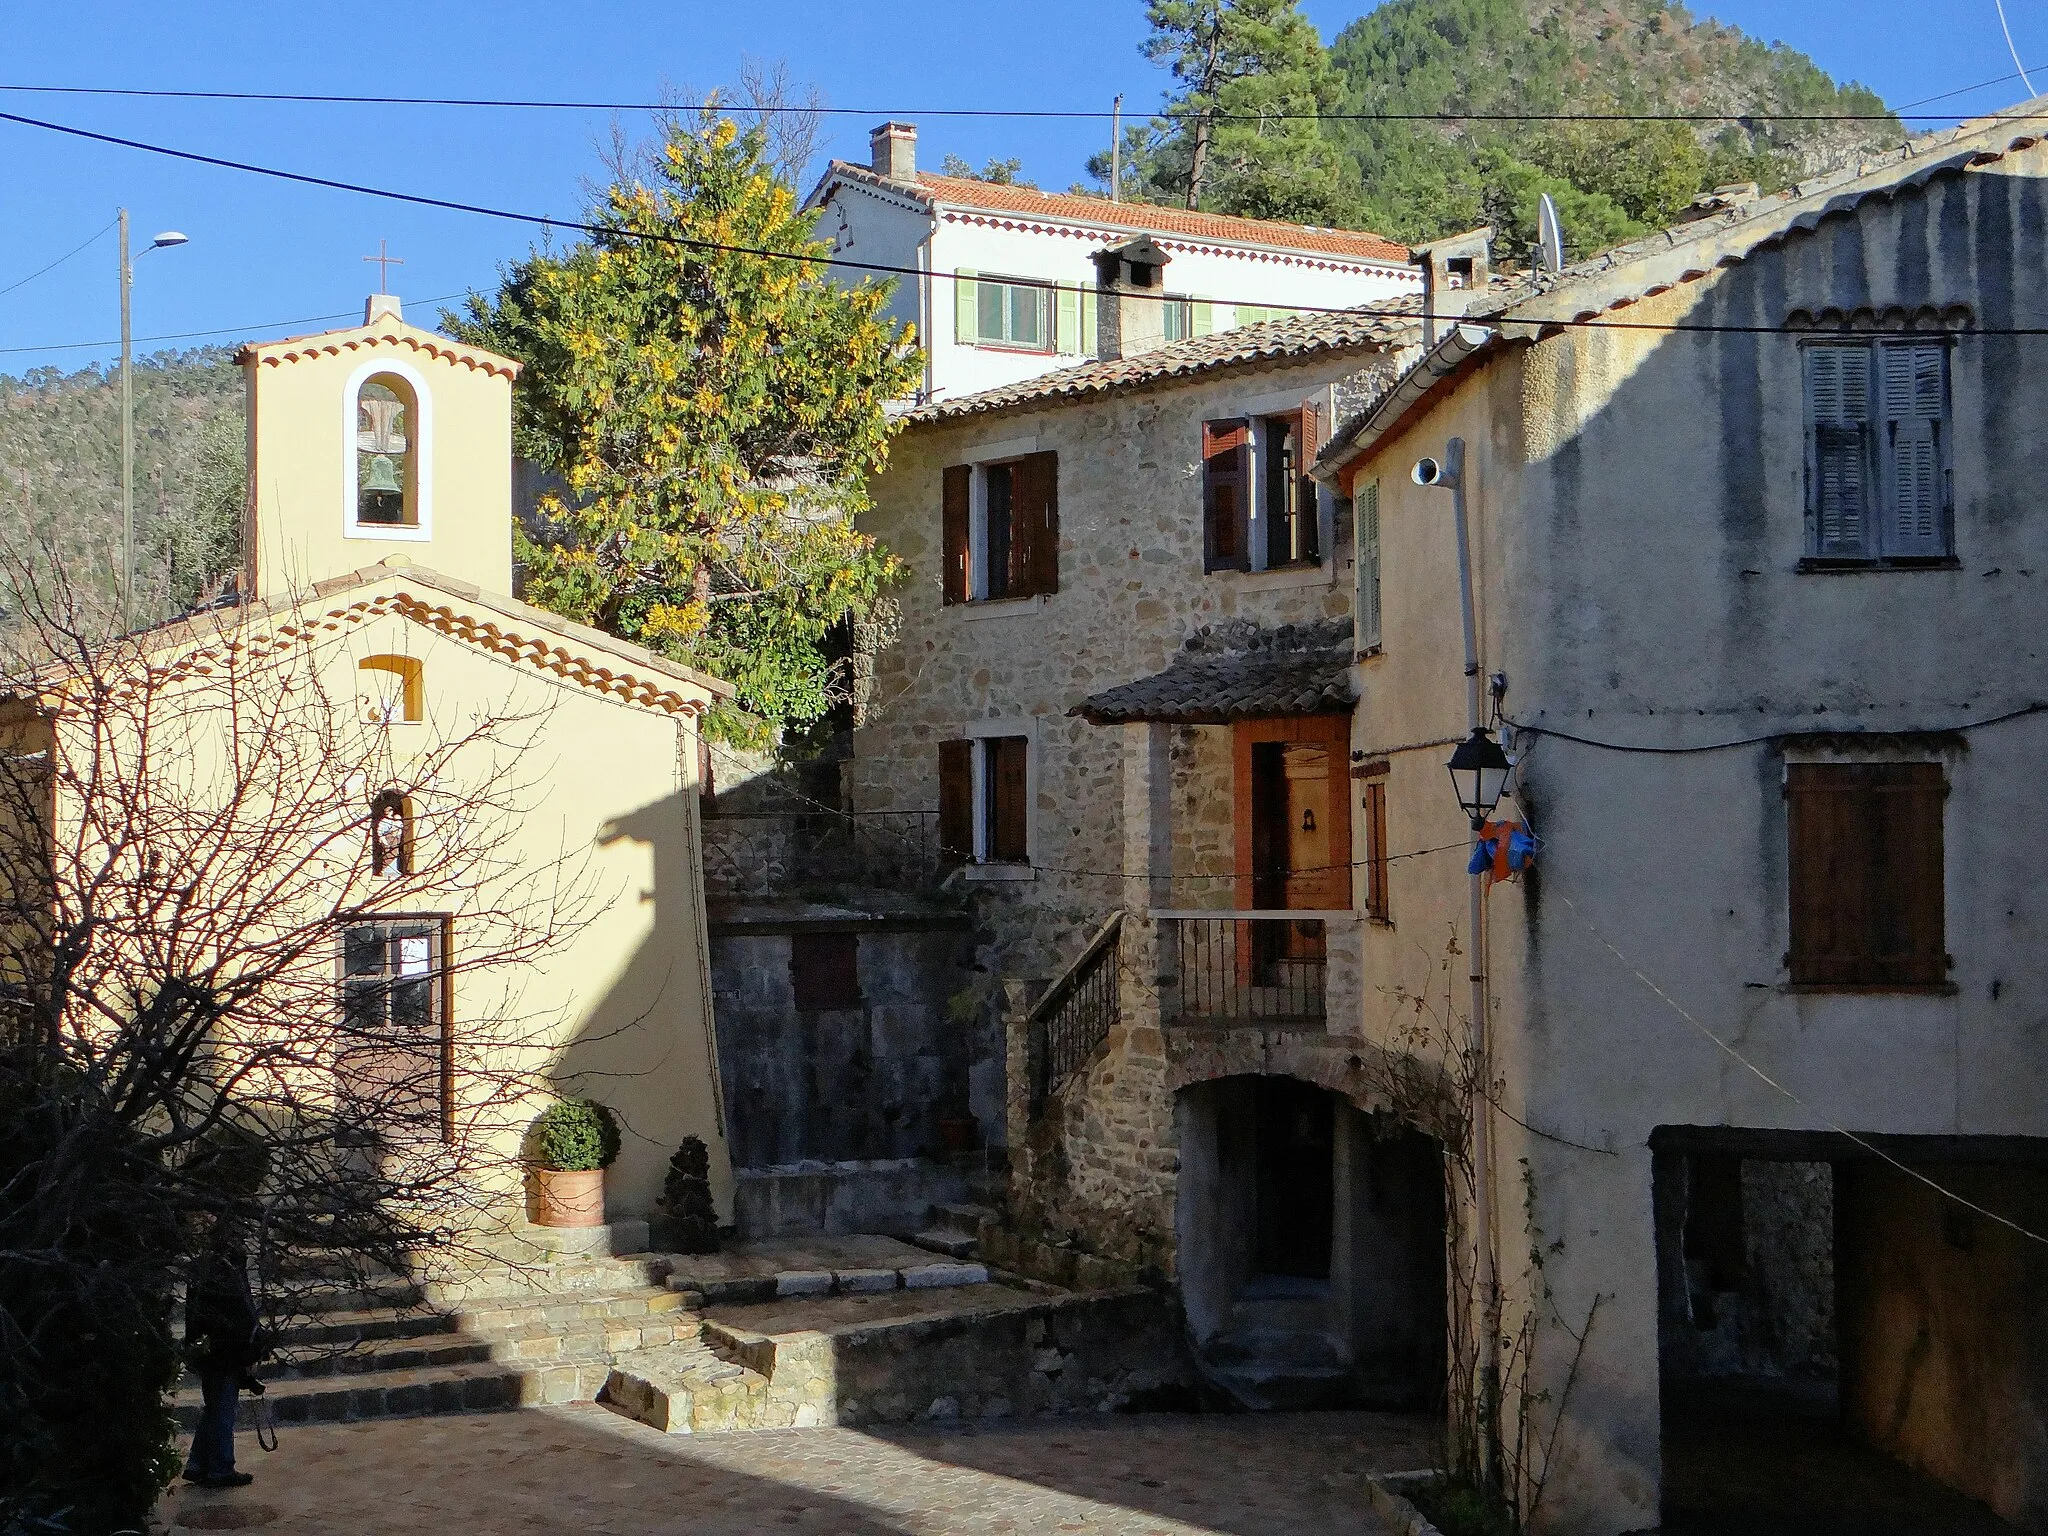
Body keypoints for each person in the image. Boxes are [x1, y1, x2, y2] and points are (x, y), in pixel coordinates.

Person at [182, 1210, 264, 1488]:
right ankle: (219, 1468)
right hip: (224, 1350)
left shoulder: (203, 1267)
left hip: (209, 1348)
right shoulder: (227, 1270)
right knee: (222, 1409)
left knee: (214, 1406)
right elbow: (240, 1314)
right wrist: (251, 1351)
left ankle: (198, 1463)